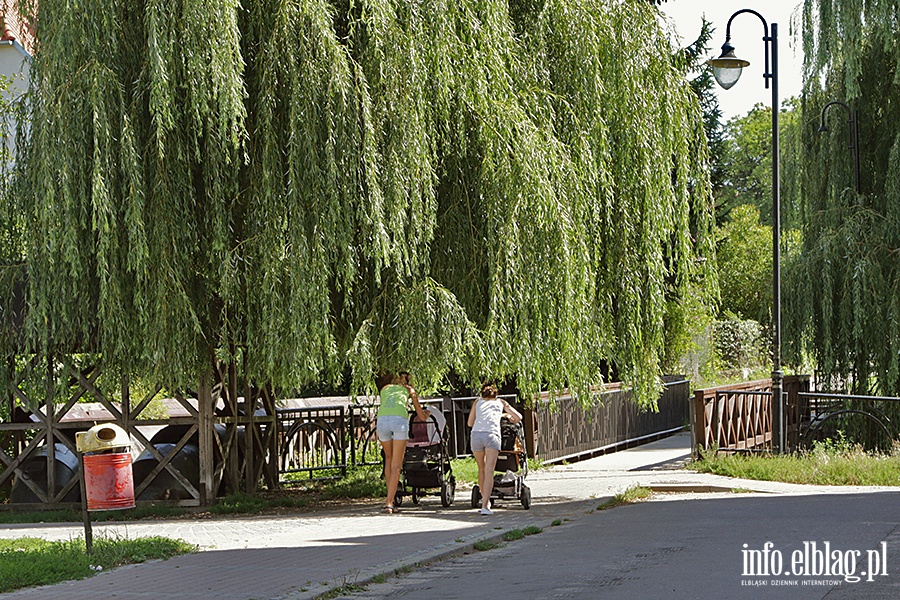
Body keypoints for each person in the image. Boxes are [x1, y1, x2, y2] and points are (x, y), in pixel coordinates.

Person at [377, 371, 429, 514]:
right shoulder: (409, 390)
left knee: (388, 458)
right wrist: (426, 414)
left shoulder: (385, 388)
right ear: (407, 380)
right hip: (399, 421)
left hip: (381, 421)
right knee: (396, 465)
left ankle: (391, 500)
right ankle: (389, 503)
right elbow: (421, 417)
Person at [467, 383, 522, 515]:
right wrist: (507, 417)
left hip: (476, 435)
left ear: (482, 393)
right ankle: (485, 506)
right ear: (496, 393)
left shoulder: (477, 402)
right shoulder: (501, 402)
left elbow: (470, 423)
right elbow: (518, 417)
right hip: (492, 435)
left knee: (481, 469)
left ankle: (484, 499)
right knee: (489, 470)